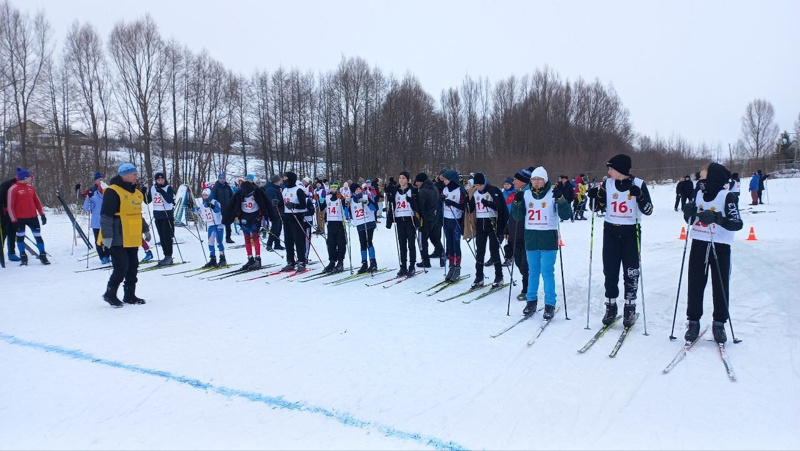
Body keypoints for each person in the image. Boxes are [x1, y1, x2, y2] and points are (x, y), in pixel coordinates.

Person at [682, 163, 743, 343]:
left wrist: (717, 218)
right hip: (699, 242)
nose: (700, 180)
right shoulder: (698, 193)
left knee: (720, 285)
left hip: (720, 245)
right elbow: (691, 219)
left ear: (713, 178)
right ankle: (693, 322)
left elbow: (737, 223)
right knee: (695, 283)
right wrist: (688, 213)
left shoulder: (728, 196)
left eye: (703, 177)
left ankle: (719, 323)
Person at [594, 154, 654, 327]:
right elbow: (599, 206)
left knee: (631, 270)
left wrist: (640, 196)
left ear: (620, 170)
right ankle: (611, 305)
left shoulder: (639, 184)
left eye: (611, 168)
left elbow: (649, 210)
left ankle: (630, 306)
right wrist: (595, 197)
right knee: (610, 269)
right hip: (611, 230)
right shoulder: (607, 183)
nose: (608, 171)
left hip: (631, 231)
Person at [100, 163, 150, 307]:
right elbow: (106, 216)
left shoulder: (136, 193)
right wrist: (107, 236)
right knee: (121, 266)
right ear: (125, 175)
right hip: (117, 236)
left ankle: (129, 295)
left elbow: (137, 214)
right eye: (134, 174)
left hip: (132, 235)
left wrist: (145, 229)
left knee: (133, 265)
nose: (136, 176)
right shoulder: (112, 191)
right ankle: (110, 293)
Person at [468, 172, 508, 289]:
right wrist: (467, 202)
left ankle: (499, 276)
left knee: (494, 250)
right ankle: (479, 277)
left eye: (480, 185)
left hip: (492, 222)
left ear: (484, 183)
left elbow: (500, 207)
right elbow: (470, 209)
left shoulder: (493, 190)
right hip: (480, 223)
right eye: (476, 185)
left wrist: (489, 203)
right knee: (480, 251)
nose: (479, 187)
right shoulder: (474, 193)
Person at [6, 167, 49, 265]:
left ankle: (43, 256)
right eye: (30, 177)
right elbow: (10, 206)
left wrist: (42, 214)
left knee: (38, 236)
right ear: (24, 177)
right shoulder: (13, 189)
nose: (31, 178)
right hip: (20, 219)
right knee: (21, 238)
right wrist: (14, 220)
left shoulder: (31, 188)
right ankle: (23, 258)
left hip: (33, 217)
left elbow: (37, 202)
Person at [225, 177, 269, 270]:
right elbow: (232, 205)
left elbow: (265, 203)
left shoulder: (257, 192)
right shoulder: (239, 194)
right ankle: (250, 258)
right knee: (247, 238)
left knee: (255, 237)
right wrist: (228, 218)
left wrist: (267, 216)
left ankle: (258, 259)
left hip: (255, 217)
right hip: (244, 217)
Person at [386, 171, 419, 278]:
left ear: (408, 179)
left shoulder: (413, 190)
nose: (401, 180)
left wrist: (412, 201)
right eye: (400, 178)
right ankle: (403, 266)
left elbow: (418, 205)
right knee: (402, 245)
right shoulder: (395, 190)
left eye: (403, 178)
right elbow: (391, 204)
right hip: (399, 219)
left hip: (410, 220)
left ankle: (412, 266)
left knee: (411, 244)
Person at [506, 169, 531, 301]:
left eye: (516, 179)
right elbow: (512, 213)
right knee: (518, 262)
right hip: (515, 232)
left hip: (526, 233)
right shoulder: (518, 193)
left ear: (523, 181)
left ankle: (527, 289)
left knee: (525, 263)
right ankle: (527, 285)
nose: (513, 182)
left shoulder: (529, 194)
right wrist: (507, 228)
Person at [278, 172, 309, 272]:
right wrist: (278, 205)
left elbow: (304, 205)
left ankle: (301, 262)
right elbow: (282, 203)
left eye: (286, 178)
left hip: (297, 218)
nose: (284, 180)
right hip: (287, 218)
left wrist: (294, 206)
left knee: (299, 240)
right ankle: (290, 262)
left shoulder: (298, 190)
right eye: (283, 178)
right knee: (288, 241)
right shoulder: (284, 190)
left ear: (291, 178)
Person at [441, 170, 467, 282]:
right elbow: (442, 198)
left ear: (451, 179)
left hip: (456, 220)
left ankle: (457, 268)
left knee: (456, 245)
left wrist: (452, 203)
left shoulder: (460, 190)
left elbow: (464, 207)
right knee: (449, 245)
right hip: (446, 220)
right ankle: (451, 267)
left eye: (445, 179)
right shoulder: (445, 189)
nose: (444, 181)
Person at [414, 172, 443, 269]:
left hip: (425, 218)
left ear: (422, 181)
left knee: (422, 240)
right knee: (435, 238)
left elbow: (420, 206)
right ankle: (442, 254)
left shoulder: (423, 191)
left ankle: (425, 261)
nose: (416, 183)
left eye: (417, 181)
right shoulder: (434, 188)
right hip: (435, 217)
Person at [146, 172, 176, 266]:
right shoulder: (153, 188)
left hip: (167, 214)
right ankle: (165, 255)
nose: (160, 181)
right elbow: (147, 201)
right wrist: (144, 193)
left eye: (162, 180)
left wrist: (161, 191)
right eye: (158, 180)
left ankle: (169, 256)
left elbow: (169, 200)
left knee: (167, 237)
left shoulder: (168, 188)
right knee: (161, 237)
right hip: (158, 214)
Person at [348, 182, 378, 273]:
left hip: (368, 221)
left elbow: (375, 208)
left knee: (369, 241)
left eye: (359, 189)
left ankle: (373, 262)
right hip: (360, 223)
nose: (358, 191)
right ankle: (364, 263)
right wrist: (346, 205)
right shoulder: (351, 200)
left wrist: (367, 203)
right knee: (362, 243)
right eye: (356, 190)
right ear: (353, 192)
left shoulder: (365, 197)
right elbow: (347, 213)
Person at [83, 172, 110, 264]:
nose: (101, 181)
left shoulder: (109, 197)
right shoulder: (94, 197)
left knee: (107, 241)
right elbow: (86, 208)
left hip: (107, 222)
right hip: (97, 223)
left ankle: (107, 255)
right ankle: (102, 257)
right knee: (99, 242)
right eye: (99, 179)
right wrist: (88, 198)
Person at [195, 188, 227, 268]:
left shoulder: (215, 202)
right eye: (203, 195)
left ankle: (222, 258)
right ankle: (213, 259)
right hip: (210, 225)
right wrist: (192, 207)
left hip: (218, 224)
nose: (205, 197)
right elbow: (197, 212)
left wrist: (210, 205)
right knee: (210, 242)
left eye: (206, 195)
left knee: (219, 242)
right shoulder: (202, 204)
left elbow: (217, 211)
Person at [322, 182, 347, 274]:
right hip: (330, 222)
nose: (333, 188)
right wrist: (319, 200)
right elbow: (321, 207)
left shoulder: (340, 197)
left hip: (339, 222)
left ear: (338, 188)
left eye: (335, 187)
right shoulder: (327, 197)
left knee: (341, 243)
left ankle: (340, 262)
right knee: (331, 243)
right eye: (332, 187)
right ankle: (332, 261)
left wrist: (343, 199)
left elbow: (346, 205)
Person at [0, 175, 21, 262]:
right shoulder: (6, 184)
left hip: (13, 214)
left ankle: (11, 253)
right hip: (4, 214)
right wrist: (3, 212)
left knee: (12, 233)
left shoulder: (19, 186)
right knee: (3, 234)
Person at [262, 175, 285, 251]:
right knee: (275, 228)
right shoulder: (270, 189)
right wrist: (276, 202)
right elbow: (271, 200)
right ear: (276, 181)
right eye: (279, 181)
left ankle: (277, 244)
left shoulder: (276, 188)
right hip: (274, 211)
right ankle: (269, 244)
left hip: (278, 210)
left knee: (279, 227)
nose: (280, 182)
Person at [211, 173, 235, 243]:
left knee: (228, 223)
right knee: (219, 223)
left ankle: (228, 237)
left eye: (223, 178)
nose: (222, 180)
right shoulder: (216, 187)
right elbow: (213, 197)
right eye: (221, 178)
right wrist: (215, 205)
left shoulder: (227, 187)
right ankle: (218, 237)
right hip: (219, 208)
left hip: (227, 207)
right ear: (219, 179)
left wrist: (231, 204)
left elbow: (231, 196)